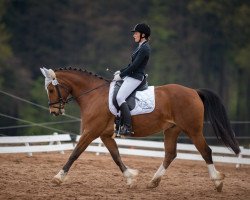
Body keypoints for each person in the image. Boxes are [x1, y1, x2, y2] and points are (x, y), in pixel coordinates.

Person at [113, 23, 151, 135]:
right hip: (131, 75)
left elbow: (135, 66)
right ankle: (118, 123)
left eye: (136, 33)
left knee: (120, 97)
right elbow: (131, 64)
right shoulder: (140, 47)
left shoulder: (145, 48)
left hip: (136, 77)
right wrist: (121, 71)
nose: (134, 35)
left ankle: (128, 127)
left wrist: (121, 75)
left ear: (143, 35)